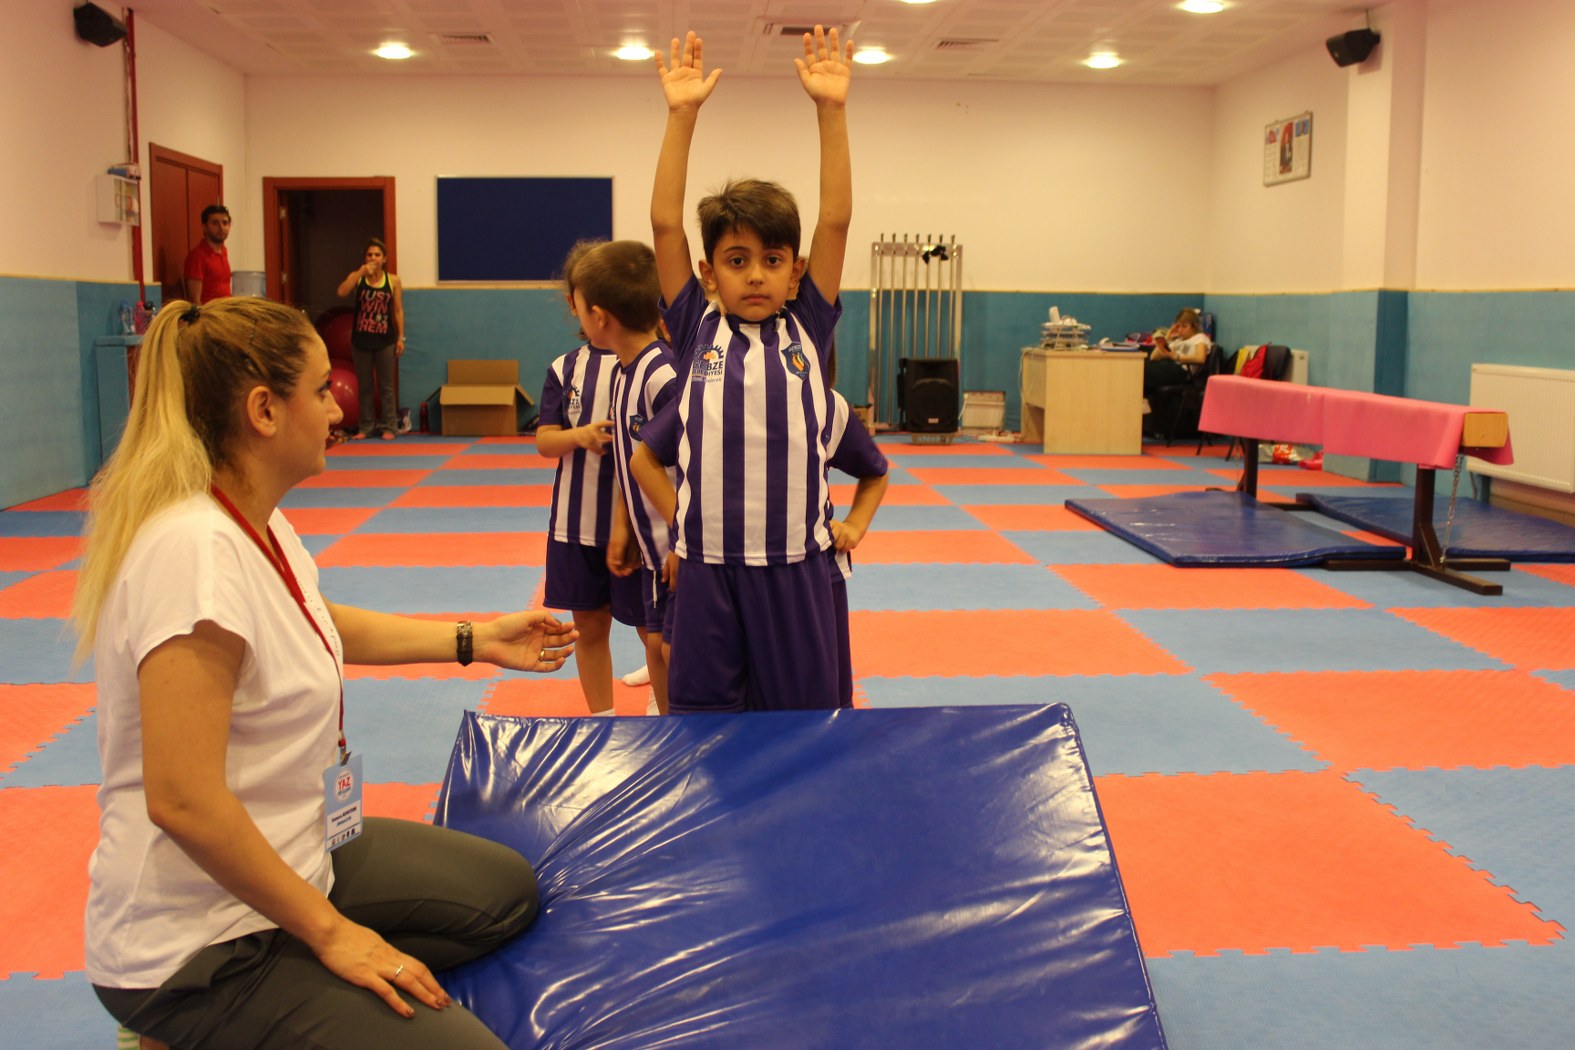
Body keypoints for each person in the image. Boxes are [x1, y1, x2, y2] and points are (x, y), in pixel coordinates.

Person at [72, 297, 578, 1050]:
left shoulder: (255, 519)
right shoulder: (192, 554)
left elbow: (315, 619)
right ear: (264, 412)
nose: (337, 408)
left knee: (504, 896)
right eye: (319, 391)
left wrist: (475, 639)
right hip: (202, 945)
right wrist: (333, 935)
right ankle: (187, 1027)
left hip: (300, 850)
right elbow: (181, 800)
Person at [630, 25, 857, 712]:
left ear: (794, 271)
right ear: (709, 273)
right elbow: (664, 225)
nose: (755, 275)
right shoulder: (696, 328)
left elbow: (835, 221)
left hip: (794, 568)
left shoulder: (806, 323)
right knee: (706, 729)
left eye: (772, 260)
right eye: (737, 260)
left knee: (801, 726)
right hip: (708, 570)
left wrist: (831, 110)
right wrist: (681, 117)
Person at [567, 240, 681, 716]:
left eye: (576, 304)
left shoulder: (663, 375)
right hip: (652, 549)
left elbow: (698, 468)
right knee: (655, 646)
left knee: (675, 652)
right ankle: (669, 736)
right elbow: (627, 460)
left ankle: (687, 738)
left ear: (597, 317)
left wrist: (683, 543)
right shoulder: (623, 373)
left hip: (681, 552)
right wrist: (623, 527)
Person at [537, 242, 649, 717]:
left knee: (652, 626)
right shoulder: (565, 369)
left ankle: (663, 706)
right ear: (575, 305)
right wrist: (579, 436)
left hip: (640, 526)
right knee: (589, 625)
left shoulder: (651, 364)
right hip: (575, 524)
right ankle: (602, 720)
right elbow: (544, 441)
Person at [336, 238, 405, 440]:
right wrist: (360, 272)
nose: (373, 258)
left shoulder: (393, 281)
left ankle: (389, 426)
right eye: (369, 254)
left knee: (386, 386)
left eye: (377, 254)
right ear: (365, 258)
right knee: (365, 386)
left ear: (384, 259)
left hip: (385, 339)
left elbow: (398, 310)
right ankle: (366, 426)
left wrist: (401, 337)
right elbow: (341, 292)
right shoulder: (357, 278)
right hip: (361, 339)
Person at [1143, 307, 1213, 430]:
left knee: (1141, 371)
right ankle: (1143, 402)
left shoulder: (1200, 338)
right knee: (1140, 368)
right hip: (1168, 366)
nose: (1180, 330)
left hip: (1181, 371)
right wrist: (1168, 336)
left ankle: (1143, 403)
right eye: (1178, 326)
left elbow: (1200, 358)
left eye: (1184, 326)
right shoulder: (1177, 340)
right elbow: (1153, 357)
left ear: (1194, 326)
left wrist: (1177, 356)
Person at [182, 204, 232, 304]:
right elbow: (195, 300)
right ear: (204, 227)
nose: (221, 227)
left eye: (225, 223)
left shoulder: (223, 251)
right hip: (210, 312)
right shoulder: (198, 256)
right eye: (215, 223)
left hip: (227, 310)